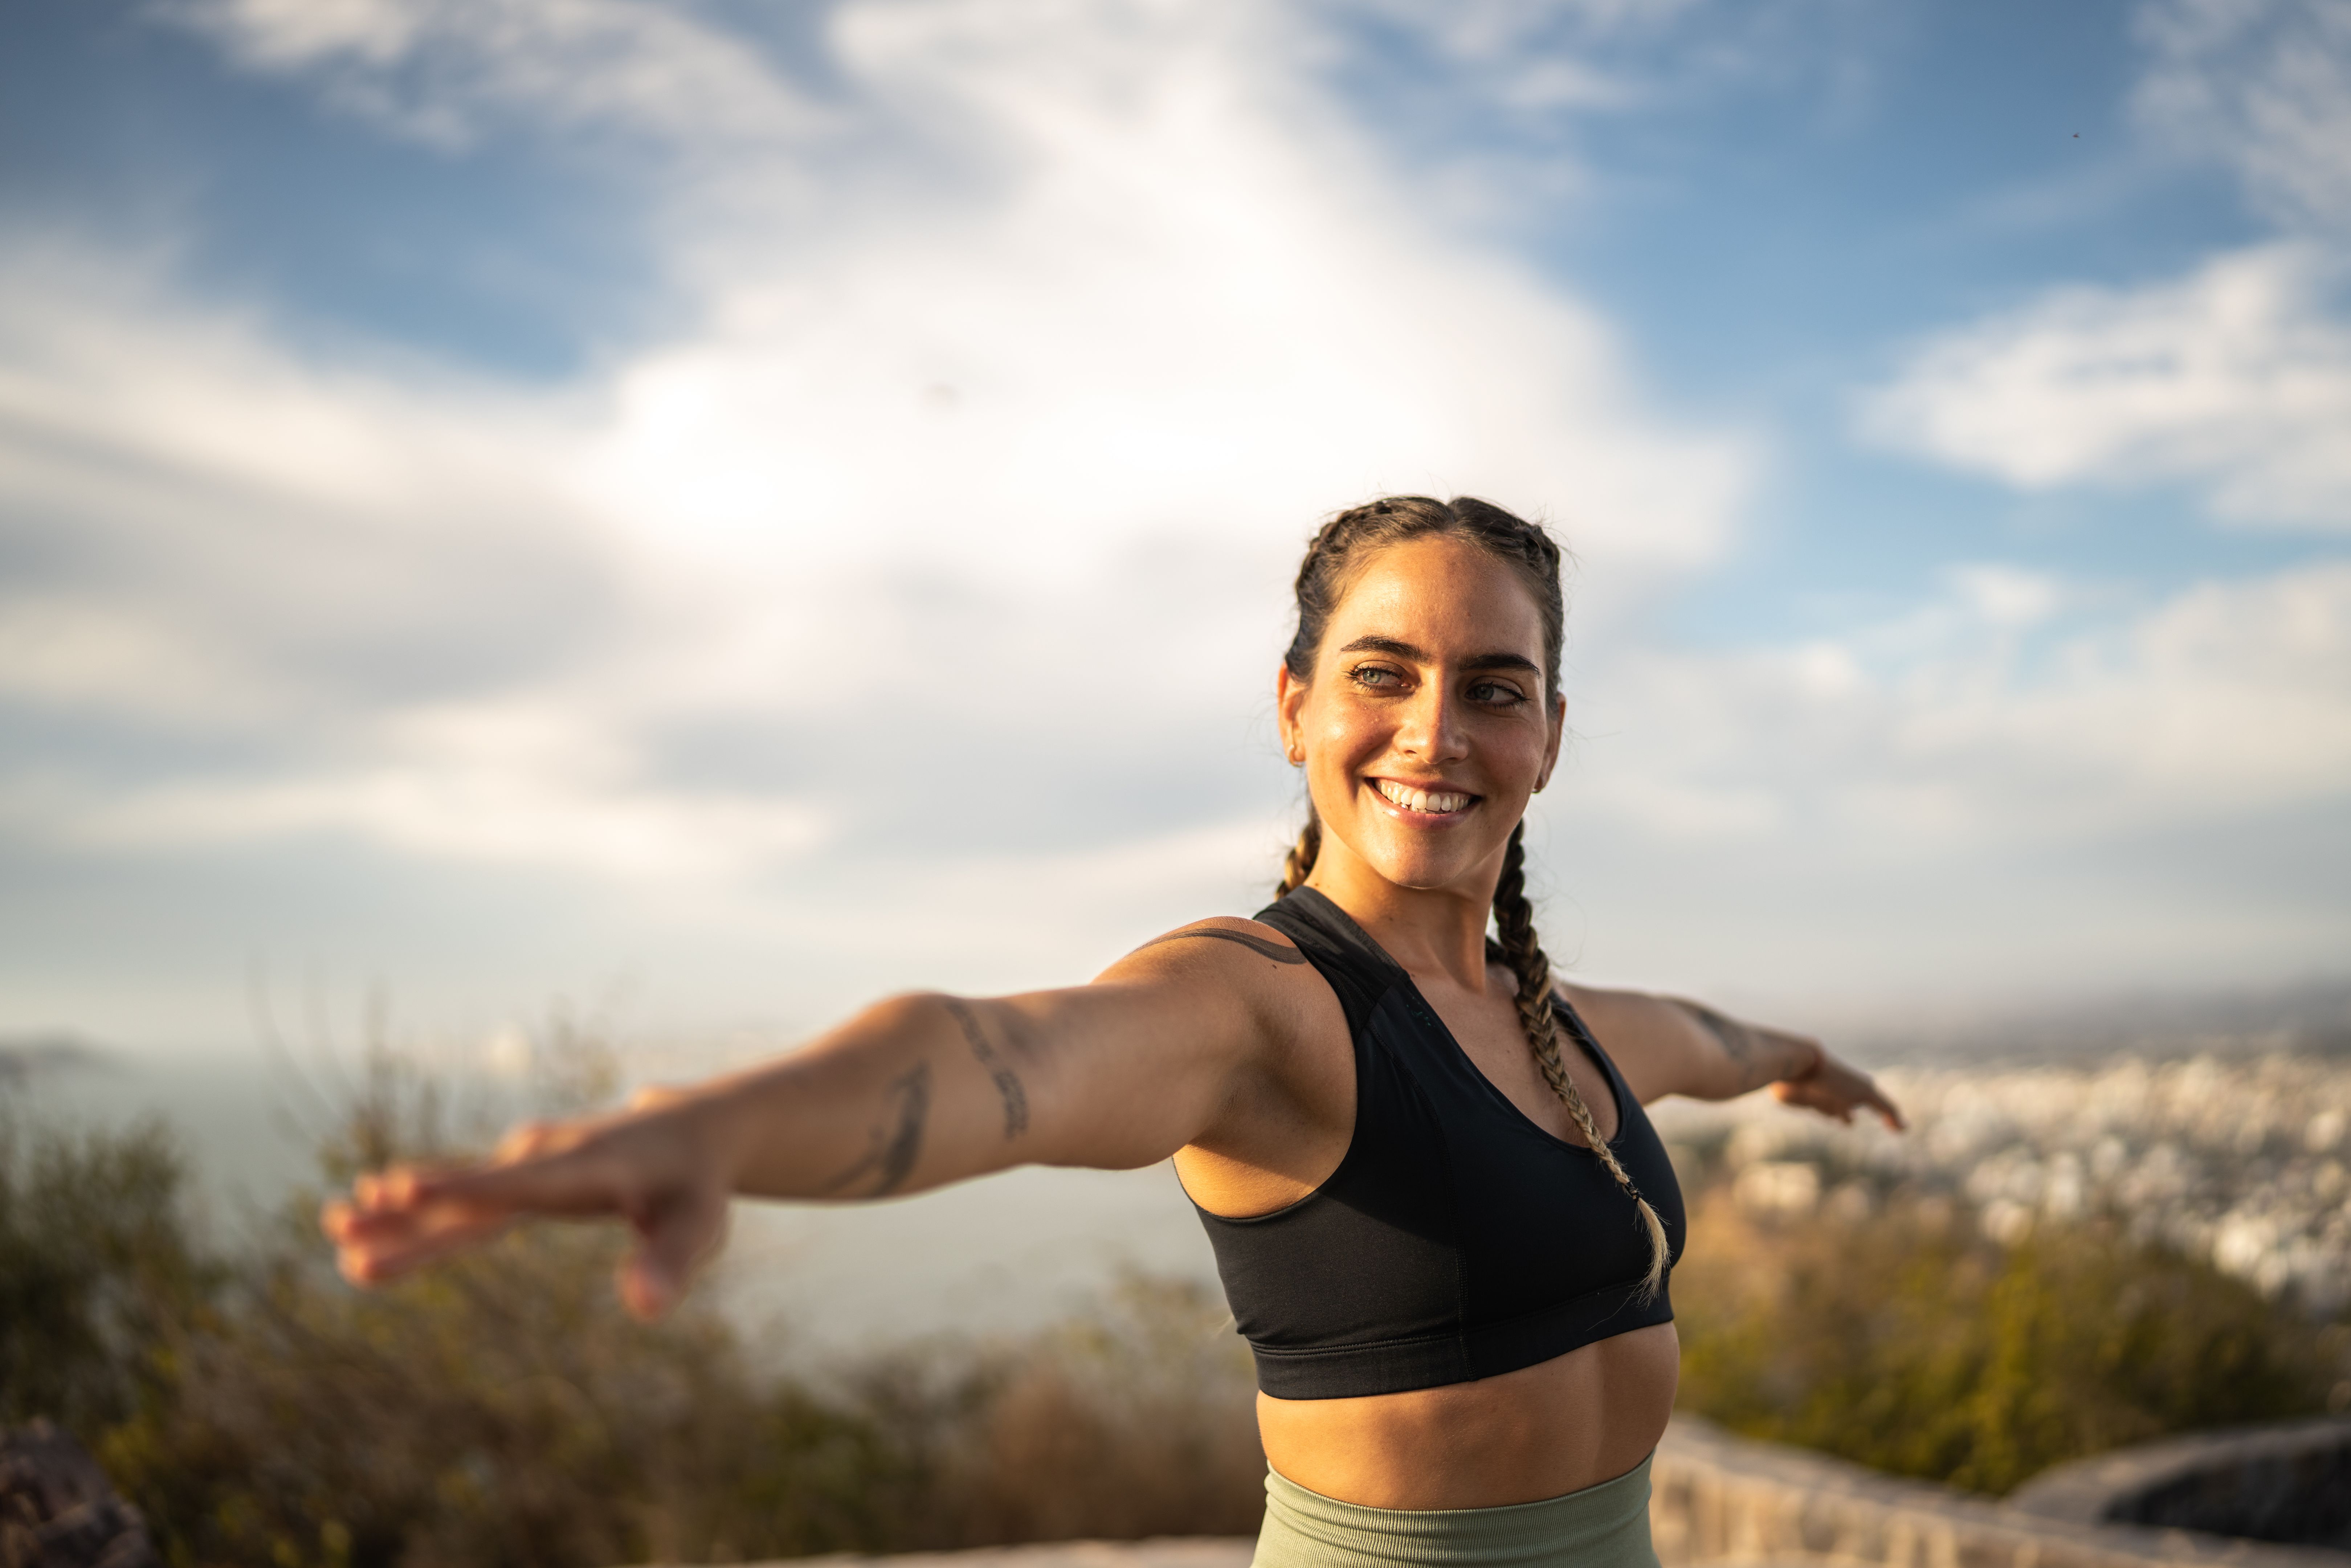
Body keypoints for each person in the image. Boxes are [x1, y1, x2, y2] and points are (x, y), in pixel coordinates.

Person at [326, 494, 1904, 1568]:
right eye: (1382, 676)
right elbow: (999, 1059)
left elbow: (1703, 1038)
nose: (1437, 732)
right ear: (1294, 708)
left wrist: (1795, 1060)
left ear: (1549, 737)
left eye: (1494, 689)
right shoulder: (1258, 1011)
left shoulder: (1564, 1028)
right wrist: (718, 1128)